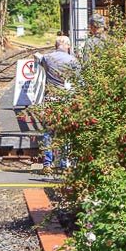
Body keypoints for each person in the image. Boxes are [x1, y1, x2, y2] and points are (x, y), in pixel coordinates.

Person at [40, 35, 79, 174]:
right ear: (67, 46)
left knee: (48, 132)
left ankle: (47, 164)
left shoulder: (47, 58)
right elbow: (78, 80)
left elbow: (39, 59)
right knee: (64, 131)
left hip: (50, 99)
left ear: (56, 45)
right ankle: (63, 164)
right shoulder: (73, 60)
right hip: (65, 99)